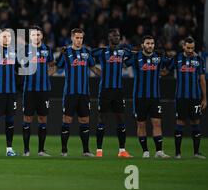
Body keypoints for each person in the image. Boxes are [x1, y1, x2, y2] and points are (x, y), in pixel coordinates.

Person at [56, 28, 101, 157]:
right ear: (72, 38)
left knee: (84, 121)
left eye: (81, 38)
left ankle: (86, 151)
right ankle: (64, 150)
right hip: (70, 93)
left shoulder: (87, 52)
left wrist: (105, 75)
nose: (79, 40)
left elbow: (93, 67)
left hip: (84, 94)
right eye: (77, 38)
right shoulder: (66, 53)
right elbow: (57, 66)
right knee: (67, 120)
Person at [124, 35, 170, 158]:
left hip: (155, 97)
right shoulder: (136, 57)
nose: (150, 45)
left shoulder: (158, 57)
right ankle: (145, 151)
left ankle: (159, 151)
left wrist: (165, 65)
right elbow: (123, 64)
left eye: (152, 43)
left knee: (157, 123)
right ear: (143, 45)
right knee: (141, 124)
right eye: (148, 43)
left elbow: (170, 65)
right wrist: (128, 52)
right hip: (139, 97)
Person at [91, 29, 133, 158]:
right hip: (105, 90)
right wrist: (95, 68)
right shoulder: (102, 51)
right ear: (109, 37)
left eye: (118, 36)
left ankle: (122, 150)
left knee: (121, 119)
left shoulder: (122, 51)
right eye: (114, 36)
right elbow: (89, 54)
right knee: (102, 119)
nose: (117, 37)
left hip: (118, 91)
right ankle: (99, 150)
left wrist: (125, 63)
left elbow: (133, 55)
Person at [166, 37, 206, 159]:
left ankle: (196, 152)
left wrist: (205, 98)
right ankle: (177, 153)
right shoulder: (177, 58)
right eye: (188, 48)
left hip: (195, 97)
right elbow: (166, 70)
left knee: (196, 122)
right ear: (183, 46)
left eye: (192, 48)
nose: (190, 50)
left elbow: (202, 79)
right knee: (180, 122)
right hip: (181, 97)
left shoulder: (199, 59)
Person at [21, 26, 55, 157]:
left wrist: (47, 75)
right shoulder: (24, 50)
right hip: (29, 90)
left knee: (43, 118)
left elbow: (53, 65)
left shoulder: (47, 50)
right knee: (27, 118)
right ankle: (26, 150)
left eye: (38, 34)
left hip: (44, 90)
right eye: (33, 34)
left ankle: (41, 150)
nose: (36, 37)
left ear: (42, 36)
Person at [0, 29, 18, 157]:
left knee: (10, 120)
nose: (7, 38)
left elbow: (18, 69)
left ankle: (9, 149)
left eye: (9, 36)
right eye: (4, 36)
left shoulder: (15, 52)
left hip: (11, 92)